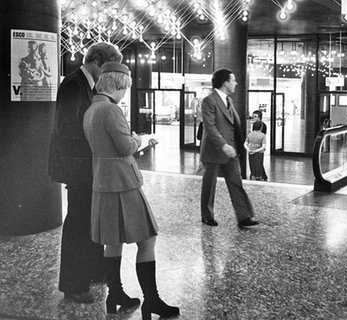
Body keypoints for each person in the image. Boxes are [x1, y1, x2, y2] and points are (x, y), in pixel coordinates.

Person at [83, 62, 179, 319]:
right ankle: (152, 301)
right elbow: (126, 148)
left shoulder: (91, 109)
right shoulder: (111, 111)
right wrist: (138, 139)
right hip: (123, 184)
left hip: (103, 183)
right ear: (117, 84)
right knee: (147, 240)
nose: (125, 93)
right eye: (124, 88)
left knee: (112, 243)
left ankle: (115, 293)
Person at [48, 42, 123, 303]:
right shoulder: (73, 84)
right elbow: (66, 129)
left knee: (91, 220)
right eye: (108, 68)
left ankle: (93, 270)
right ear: (99, 62)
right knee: (79, 224)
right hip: (77, 166)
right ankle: (73, 284)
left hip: (86, 165)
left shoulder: (85, 83)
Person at [200, 69, 260, 228]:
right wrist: (223, 145)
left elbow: (233, 124)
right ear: (225, 83)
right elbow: (210, 127)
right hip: (214, 150)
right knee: (209, 186)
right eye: (233, 80)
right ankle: (207, 215)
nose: (236, 83)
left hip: (231, 150)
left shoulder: (228, 101)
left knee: (236, 183)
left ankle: (244, 217)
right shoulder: (209, 101)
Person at [251, 110, 268, 180]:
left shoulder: (262, 125)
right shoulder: (255, 124)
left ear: (259, 117)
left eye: (255, 117)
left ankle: (260, 175)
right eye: (253, 116)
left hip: (259, 146)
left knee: (258, 161)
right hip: (255, 146)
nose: (253, 118)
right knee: (256, 161)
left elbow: (261, 136)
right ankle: (260, 175)